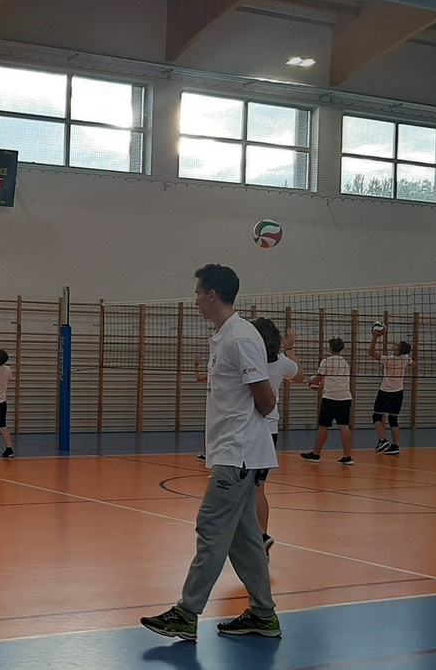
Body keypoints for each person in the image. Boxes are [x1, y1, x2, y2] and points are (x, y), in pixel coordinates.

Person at [142, 264, 281, 642]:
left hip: (238, 454)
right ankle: (264, 615)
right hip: (231, 451)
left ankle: (186, 614)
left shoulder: (240, 336)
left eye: (198, 294)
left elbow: (266, 399)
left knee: (211, 527)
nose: (196, 301)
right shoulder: (223, 336)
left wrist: (242, 431)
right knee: (245, 540)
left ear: (212, 295)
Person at [250, 317, 304, 554]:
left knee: (241, 489)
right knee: (258, 489)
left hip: (248, 431)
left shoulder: (249, 360)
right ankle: (260, 536)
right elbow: (300, 376)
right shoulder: (281, 362)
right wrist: (289, 348)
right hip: (269, 431)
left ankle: (255, 537)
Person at [301, 336, 354, 465]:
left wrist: (309, 380)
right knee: (344, 426)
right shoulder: (345, 363)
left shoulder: (326, 361)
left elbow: (317, 379)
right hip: (345, 397)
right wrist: (320, 386)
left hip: (330, 398)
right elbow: (332, 381)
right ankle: (347, 456)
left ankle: (316, 454)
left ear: (330, 348)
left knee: (323, 426)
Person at [368, 328, 415, 455]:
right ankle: (395, 446)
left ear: (398, 350)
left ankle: (383, 440)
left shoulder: (388, 359)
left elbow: (371, 352)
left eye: (397, 345)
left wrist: (375, 338)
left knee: (376, 416)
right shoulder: (406, 358)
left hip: (385, 391)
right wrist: (407, 363)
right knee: (393, 419)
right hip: (398, 393)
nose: (395, 345)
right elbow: (414, 364)